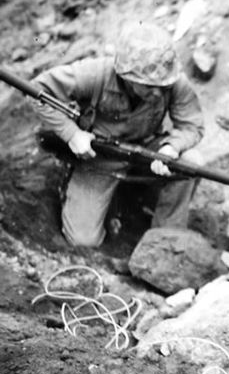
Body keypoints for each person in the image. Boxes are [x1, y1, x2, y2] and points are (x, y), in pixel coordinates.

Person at [31, 21, 204, 247]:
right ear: (126, 76)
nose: (157, 91)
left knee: (192, 163)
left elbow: (192, 126)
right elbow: (37, 90)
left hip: (146, 150)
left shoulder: (171, 82)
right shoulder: (95, 74)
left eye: (162, 85)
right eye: (148, 85)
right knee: (83, 240)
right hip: (98, 158)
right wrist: (72, 135)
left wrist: (171, 147)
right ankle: (76, 185)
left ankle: (163, 240)